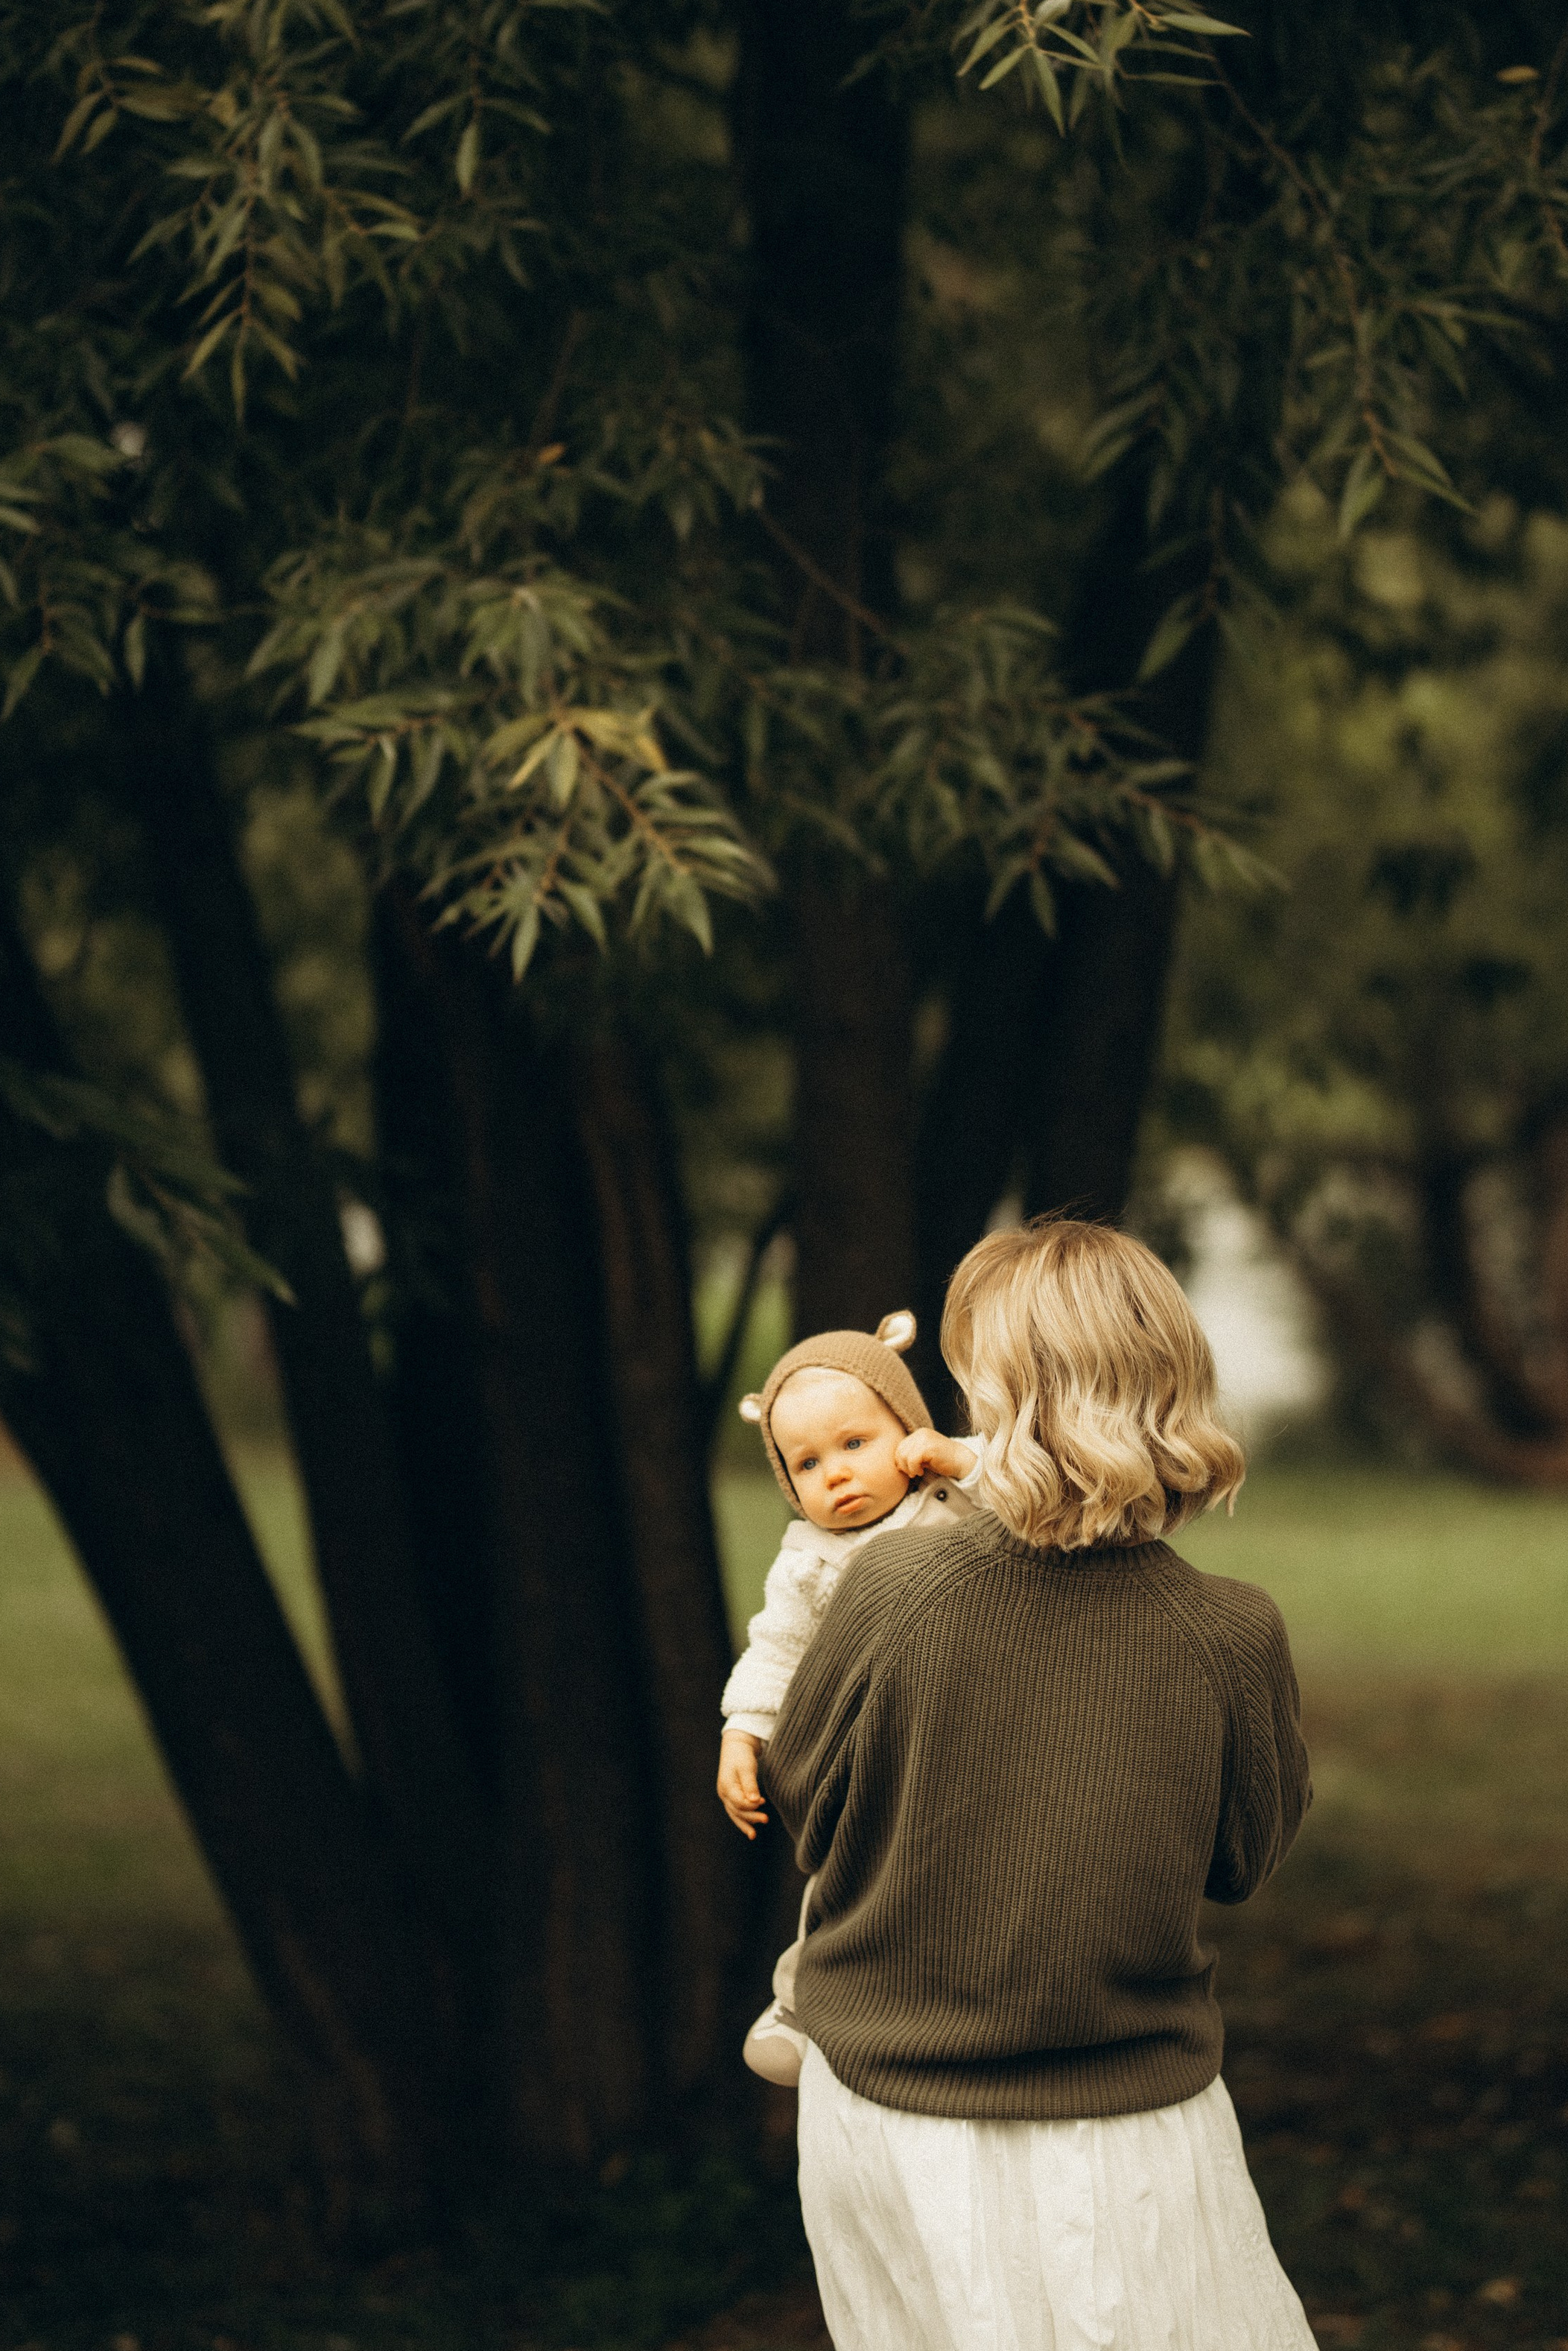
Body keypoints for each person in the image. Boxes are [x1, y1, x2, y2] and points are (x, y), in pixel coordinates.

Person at [763, 1219, 1316, 2351]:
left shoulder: (892, 1589)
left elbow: (810, 1810)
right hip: (1133, 2133)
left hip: (891, 2120)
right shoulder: (1232, 1634)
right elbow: (1241, 1860)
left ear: (997, 1394)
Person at [717, 1310, 984, 2084]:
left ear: (907, 1429)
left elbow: (1030, 1491)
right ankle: (801, 2002)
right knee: (849, 1872)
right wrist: (742, 1732)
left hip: (977, 1724)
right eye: (806, 1463)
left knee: (964, 1870)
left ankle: (956, 1995)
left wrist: (961, 1458)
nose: (833, 1474)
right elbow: (776, 1649)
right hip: (878, 1750)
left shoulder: (955, 1498)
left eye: (854, 1444)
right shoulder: (807, 1561)